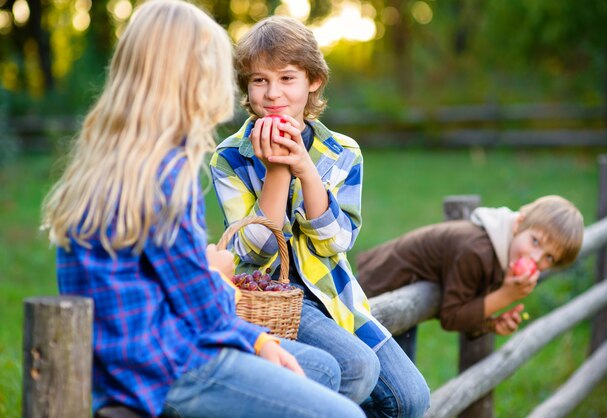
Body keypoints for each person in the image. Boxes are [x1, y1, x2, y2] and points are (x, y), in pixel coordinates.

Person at [41, 2, 366, 417]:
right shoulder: (167, 170)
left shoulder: (107, 157)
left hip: (122, 359)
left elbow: (164, 278)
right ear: (192, 78)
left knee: (319, 368)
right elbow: (201, 307)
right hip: (166, 365)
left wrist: (212, 276)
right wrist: (223, 282)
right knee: (346, 413)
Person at [210, 15, 430, 418]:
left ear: (313, 81)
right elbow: (255, 252)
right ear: (247, 87)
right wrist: (276, 171)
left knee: (411, 400)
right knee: (356, 370)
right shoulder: (229, 157)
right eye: (259, 81)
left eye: (287, 79)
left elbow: (336, 243)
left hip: (335, 294)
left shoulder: (342, 152)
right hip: (270, 295)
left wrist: (306, 170)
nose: (273, 93)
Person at [357, 195, 584, 337]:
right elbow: (452, 316)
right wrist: (506, 296)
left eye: (550, 258)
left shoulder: (503, 250)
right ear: (519, 224)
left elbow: (468, 301)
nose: (536, 258)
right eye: (535, 241)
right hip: (375, 292)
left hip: (400, 300)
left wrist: (491, 324)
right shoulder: (478, 251)